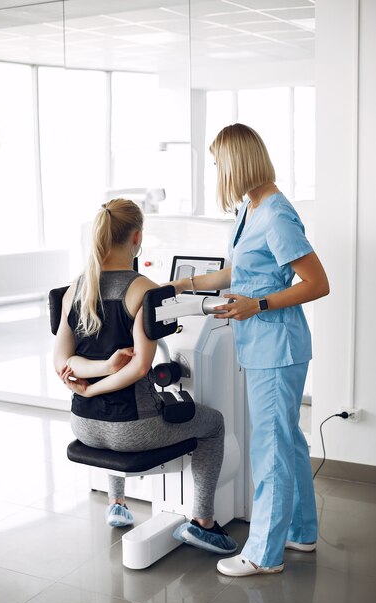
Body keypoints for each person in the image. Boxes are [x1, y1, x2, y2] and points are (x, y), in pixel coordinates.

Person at [170, 123, 330, 577]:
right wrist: (185, 283)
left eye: (219, 162)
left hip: (277, 346)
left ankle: (263, 553)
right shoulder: (250, 208)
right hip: (261, 345)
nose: (216, 170)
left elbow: (318, 283)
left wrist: (257, 304)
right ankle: (301, 531)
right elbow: (236, 272)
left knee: (271, 449)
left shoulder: (277, 214)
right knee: (288, 443)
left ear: (237, 162)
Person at [53, 197, 237, 555]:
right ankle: (204, 523)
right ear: (137, 238)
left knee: (116, 410)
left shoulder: (75, 288)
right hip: (133, 430)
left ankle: (117, 503)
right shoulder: (144, 290)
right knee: (213, 423)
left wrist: (92, 386)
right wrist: (106, 376)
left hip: (82, 424)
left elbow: (63, 362)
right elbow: (139, 367)